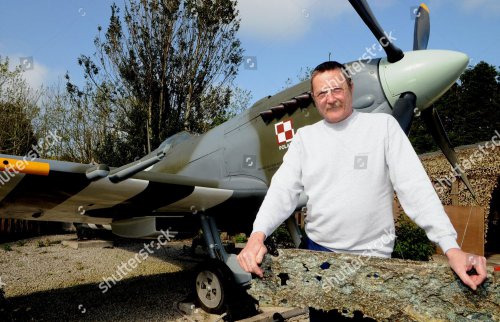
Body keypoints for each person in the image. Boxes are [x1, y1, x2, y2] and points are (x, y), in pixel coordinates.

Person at [237, 61, 487, 314]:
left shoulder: (384, 128)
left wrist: (450, 247)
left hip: (373, 260)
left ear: (351, 88)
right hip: (320, 257)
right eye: (322, 93)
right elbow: (282, 191)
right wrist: (257, 236)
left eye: (337, 89)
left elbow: (416, 189)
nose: (331, 98)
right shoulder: (305, 138)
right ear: (314, 98)